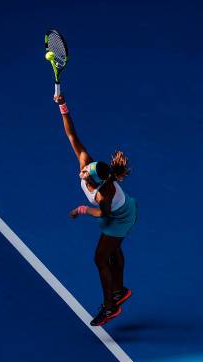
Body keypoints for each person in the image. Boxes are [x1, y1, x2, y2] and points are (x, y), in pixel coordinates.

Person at [54, 94, 137, 326]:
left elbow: (105, 215)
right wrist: (63, 105)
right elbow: (72, 135)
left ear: (96, 182)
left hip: (121, 216)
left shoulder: (104, 195)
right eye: (85, 168)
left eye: (85, 173)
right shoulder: (86, 162)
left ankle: (110, 306)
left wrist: (81, 209)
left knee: (100, 258)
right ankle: (120, 290)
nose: (82, 170)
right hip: (123, 207)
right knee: (113, 250)